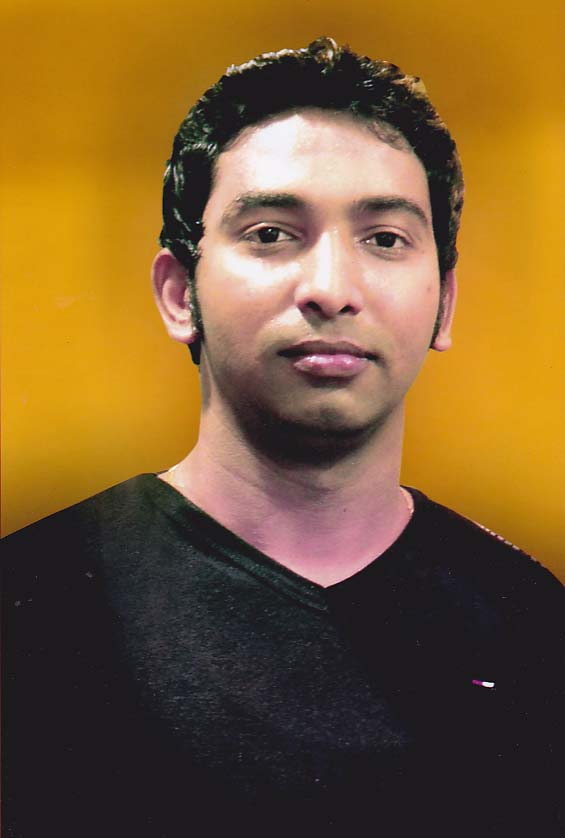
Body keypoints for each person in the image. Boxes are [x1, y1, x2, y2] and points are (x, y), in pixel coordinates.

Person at [2, 37, 563, 837]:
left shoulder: (532, 630)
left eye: (384, 239)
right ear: (179, 294)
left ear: (443, 304)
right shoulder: (32, 609)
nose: (330, 289)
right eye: (270, 233)